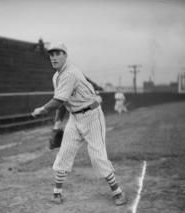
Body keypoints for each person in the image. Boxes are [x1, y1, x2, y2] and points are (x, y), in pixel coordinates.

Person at [31, 42, 127, 205]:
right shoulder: (56, 77)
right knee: (65, 152)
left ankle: (117, 192)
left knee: (97, 155)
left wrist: (42, 109)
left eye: (57, 54)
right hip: (75, 118)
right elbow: (63, 102)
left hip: (92, 116)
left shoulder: (70, 73)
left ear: (65, 56)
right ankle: (57, 193)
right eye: (51, 54)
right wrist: (57, 124)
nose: (53, 57)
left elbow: (58, 100)